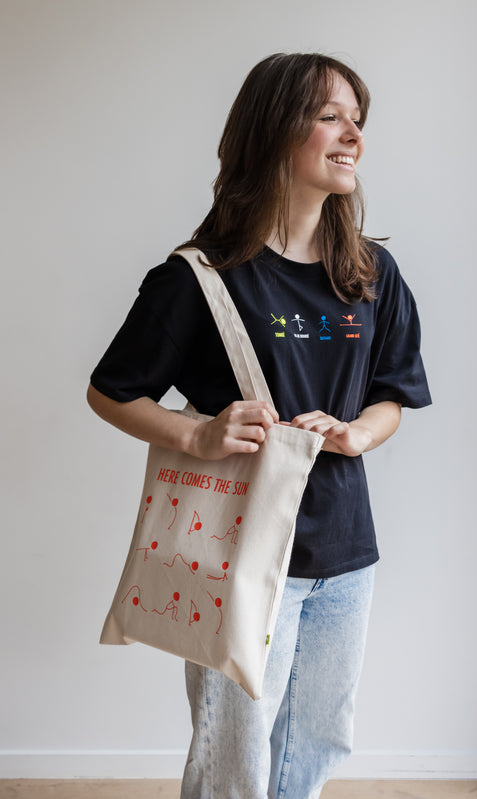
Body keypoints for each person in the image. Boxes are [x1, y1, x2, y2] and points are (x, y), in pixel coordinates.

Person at [88, 52, 431, 799]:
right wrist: (195, 435)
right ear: (275, 129)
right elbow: (111, 391)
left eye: (358, 120)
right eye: (330, 117)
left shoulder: (370, 273)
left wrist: (358, 434)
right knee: (234, 760)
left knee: (317, 742)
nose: (354, 136)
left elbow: (392, 395)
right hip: (240, 555)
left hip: (346, 552)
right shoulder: (200, 277)